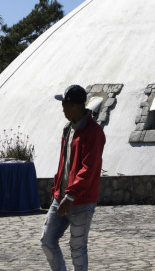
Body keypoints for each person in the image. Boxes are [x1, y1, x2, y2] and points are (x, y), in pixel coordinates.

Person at [40, 84, 105, 271]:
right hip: (61, 198)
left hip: (80, 200)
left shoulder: (94, 132)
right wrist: (57, 191)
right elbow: (64, 163)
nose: (62, 109)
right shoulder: (68, 128)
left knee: (77, 248)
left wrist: (70, 195)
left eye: (64, 105)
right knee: (47, 240)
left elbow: (89, 168)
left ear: (74, 106)